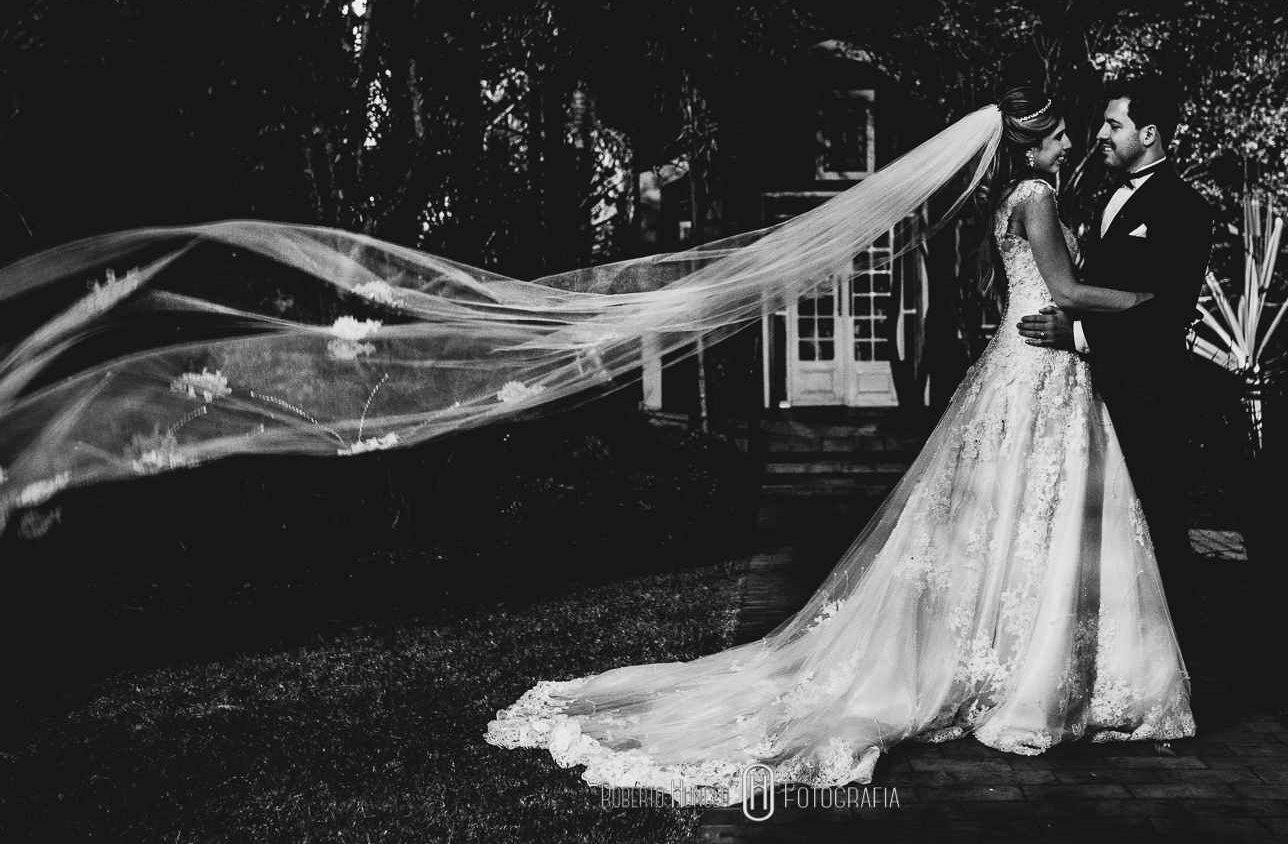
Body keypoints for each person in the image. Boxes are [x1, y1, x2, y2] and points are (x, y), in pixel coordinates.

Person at [485, 85, 1195, 801]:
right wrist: (1145, 303)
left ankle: (1025, 663)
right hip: (1037, 370)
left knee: (1019, 519)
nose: (1076, 141)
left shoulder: (1030, 196)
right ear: (1031, 141)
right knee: (1025, 518)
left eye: (1089, 129)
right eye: (1062, 133)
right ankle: (1023, 670)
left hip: (1047, 371)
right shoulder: (1036, 196)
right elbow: (1065, 291)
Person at [1016, 75, 1213, 668]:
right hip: (1091, 396)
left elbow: (1169, 314)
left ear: (1149, 134)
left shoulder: (1186, 209)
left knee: (1157, 535)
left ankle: (1172, 678)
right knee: (1102, 541)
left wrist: (1078, 335)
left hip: (1147, 398)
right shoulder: (1101, 200)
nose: (1100, 135)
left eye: (1113, 124)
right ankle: (1107, 668)